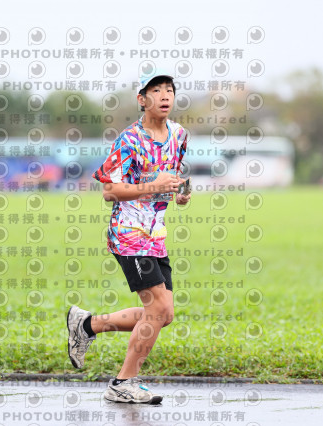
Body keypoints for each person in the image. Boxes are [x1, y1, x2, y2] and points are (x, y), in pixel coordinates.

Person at [66, 70, 190, 404]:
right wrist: (153, 186)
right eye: (156, 90)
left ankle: (87, 325)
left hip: (156, 235)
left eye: (169, 90)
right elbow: (110, 191)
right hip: (129, 233)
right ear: (141, 99)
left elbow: (174, 173)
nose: (164, 95)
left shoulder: (179, 135)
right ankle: (123, 383)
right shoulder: (129, 140)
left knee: (164, 315)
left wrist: (179, 193)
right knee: (158, 307)